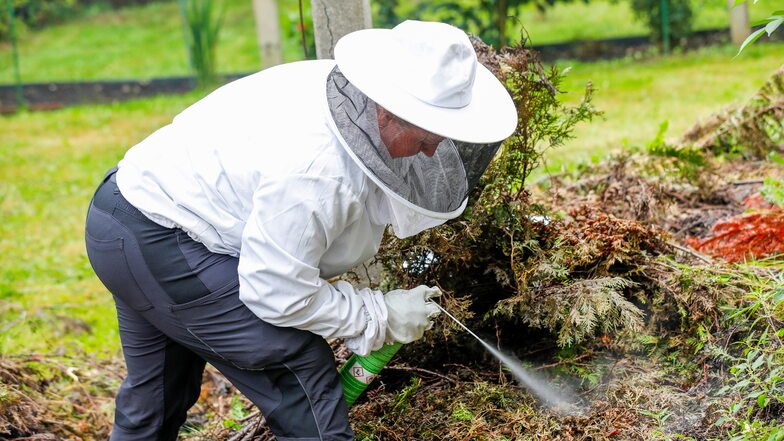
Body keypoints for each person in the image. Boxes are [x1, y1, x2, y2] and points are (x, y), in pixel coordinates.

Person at [84, 20, 517, 441]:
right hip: (159, 237)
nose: (433, 151)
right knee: (296, 363)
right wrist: (379, 315)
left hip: (123, 216)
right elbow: (276, 291)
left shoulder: (355, 104)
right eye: (427, 136)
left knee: (158, 396)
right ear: (388, 111)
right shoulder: (318, 170)